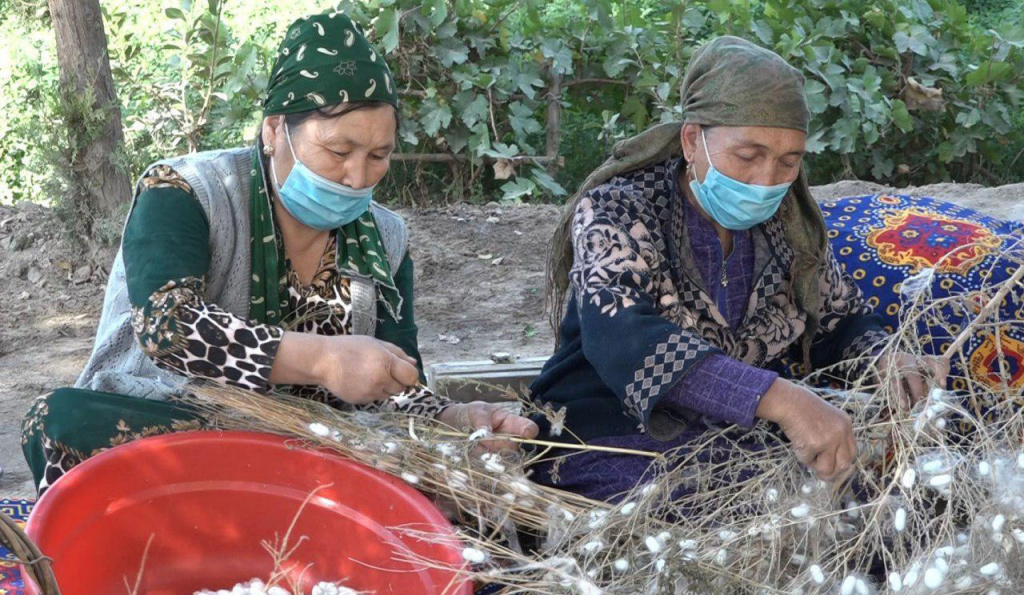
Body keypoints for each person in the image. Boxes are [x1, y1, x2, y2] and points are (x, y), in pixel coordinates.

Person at [22, 12, 536, 495]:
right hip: (180, 429)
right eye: (339, 151)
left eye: (379, 156)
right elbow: (170, 330)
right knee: (60, 423)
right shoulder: (186, 192)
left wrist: (452, 421)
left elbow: (397, 387)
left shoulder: (386, 238)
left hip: (318, 446)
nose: (358, 177)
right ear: (274, 131)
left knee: (439, 483)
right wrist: (323, 360)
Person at [529, 36, 947, 503]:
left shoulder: (790, 225)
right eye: (748, 156)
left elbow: (836, 319)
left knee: (892, 510)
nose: (767, 180)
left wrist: (884, 358)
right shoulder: (618, 210)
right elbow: (626, 340)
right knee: (731, 517)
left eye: (789, 162)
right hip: (609, 437)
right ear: (693, 139)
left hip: (739, 437)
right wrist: (782, 400)